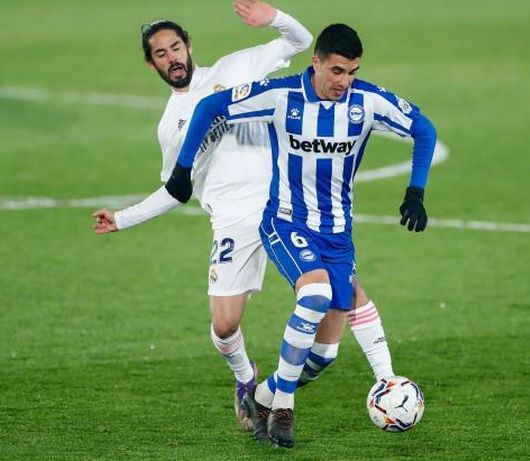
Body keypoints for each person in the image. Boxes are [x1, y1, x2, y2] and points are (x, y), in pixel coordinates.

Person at [92, 2, 396, 434]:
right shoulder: (170, 126)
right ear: (151, 63)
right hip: (234, 221)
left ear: (188, 45)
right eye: (161, 54)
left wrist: (273, 16)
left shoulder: (239, 67)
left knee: (332, 328)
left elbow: (301, 41)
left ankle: (285, 393)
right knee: (224, 324)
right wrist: (123, 219)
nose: (173, 58)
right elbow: (176, 189)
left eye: (176, 47)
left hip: (287, 206)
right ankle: (246, 381)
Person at [164, 23, 437, 447]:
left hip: (337, 233)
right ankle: (284, 407)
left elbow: (424, 129)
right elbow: (211, 106)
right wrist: (182, 168)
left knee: (325, 354)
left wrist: (415, 190)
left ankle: (263, 394)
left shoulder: (366, 102)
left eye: (353, 72)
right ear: (316, 62)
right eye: (337, 71)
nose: (345, 82)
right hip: (286, 221)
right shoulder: (282, 96)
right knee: (313, 295)